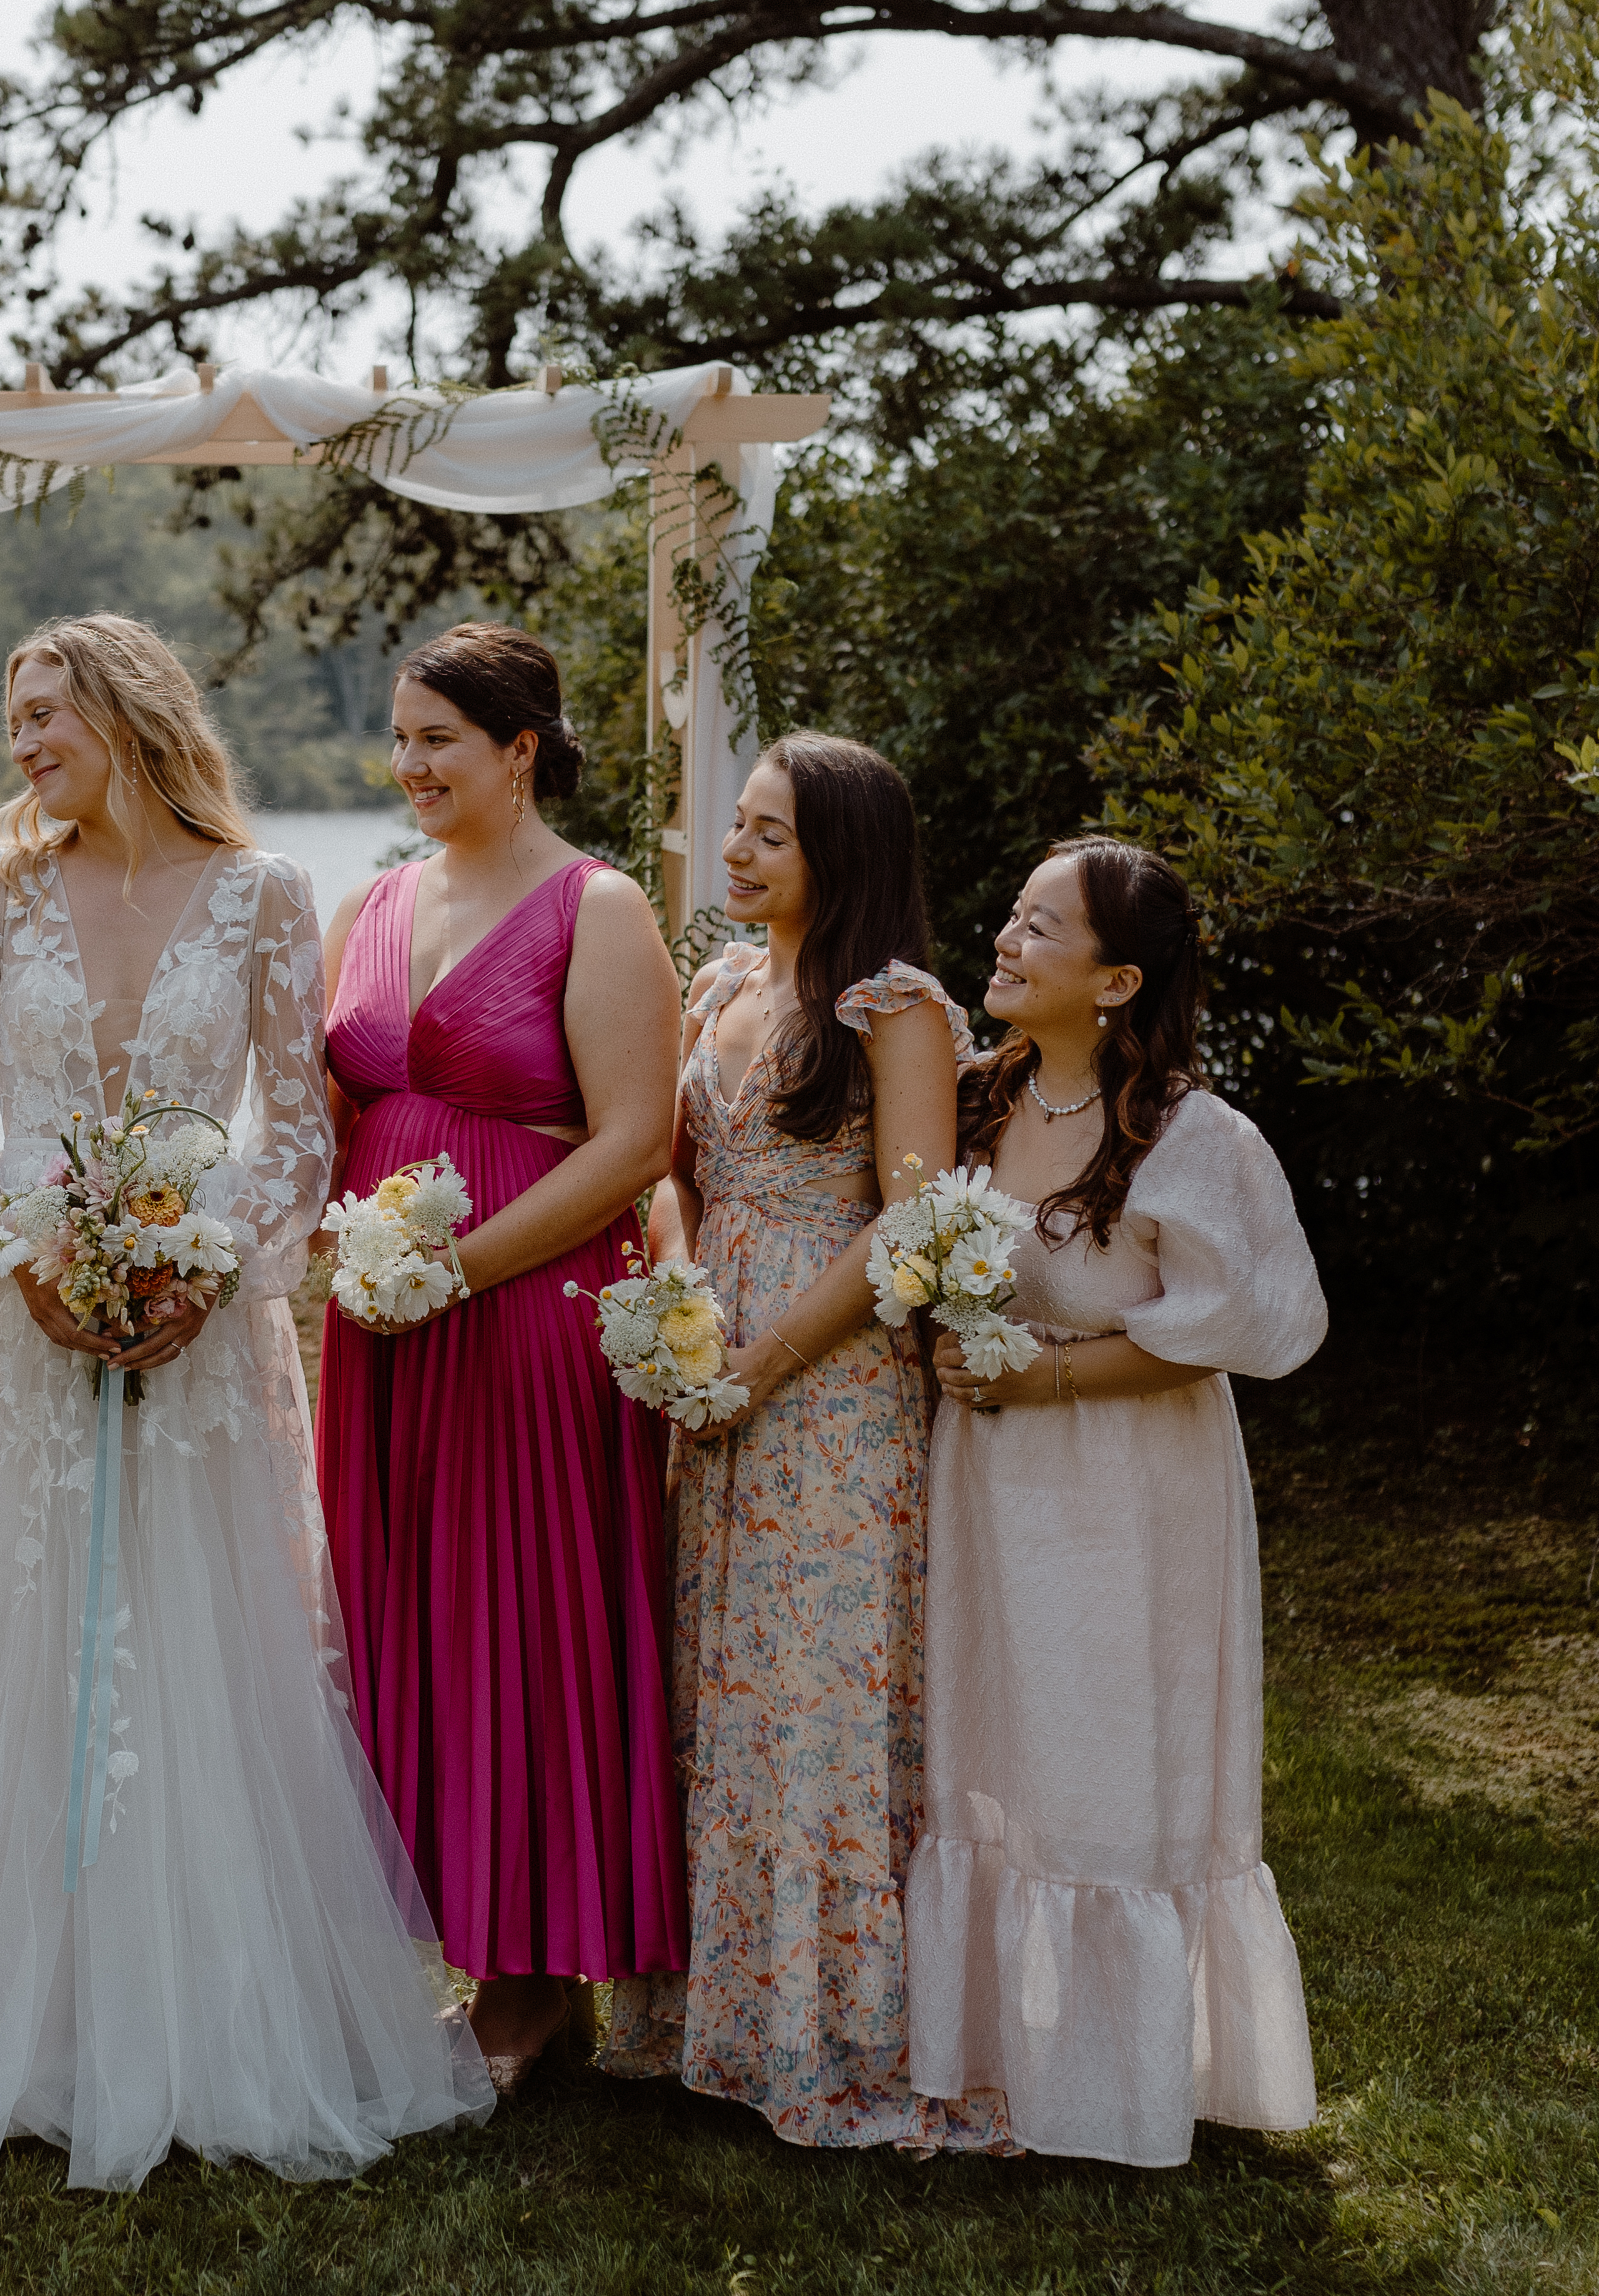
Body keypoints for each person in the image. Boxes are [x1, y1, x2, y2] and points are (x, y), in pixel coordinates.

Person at [0, 613, 492, 2191]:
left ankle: (212, 2028)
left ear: (126, 711)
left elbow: (299, 1130)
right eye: (16, 716)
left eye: (47, 711)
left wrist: (201, 1264)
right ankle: (22, 2025)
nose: (24, 741)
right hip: (21, 1336)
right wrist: (29, 1258)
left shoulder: (262, 893)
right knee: (21, 1645)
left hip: (202, 1342)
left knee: (199, 1648)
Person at [600, 736, 1014, 2152]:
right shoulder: (720, 983)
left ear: (842, 852)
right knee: (714, 1674)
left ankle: (832, 2029)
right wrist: (678, 1311)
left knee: (813, 1690)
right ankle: (707, 2015)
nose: (736, 852)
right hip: (708, 1365)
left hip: (832, 1387)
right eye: (739, 826)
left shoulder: (896, 1009)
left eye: (770, 834)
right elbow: (671, 1174)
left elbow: (912, 1224)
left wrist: (765, 1362)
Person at [906, 835, 1328, 2167]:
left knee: (1104, 1753)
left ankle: (1121, 2084)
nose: (1006, 940)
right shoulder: (968, 1103)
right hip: (985, 1482)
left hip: (1129, 1493)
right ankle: (993, 2055)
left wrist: (1045, 1375)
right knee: (996, 1741)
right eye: (1012, 914)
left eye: (1041, 927)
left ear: (1116, 980)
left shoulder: (1193, 1137)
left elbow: (1248, 1324)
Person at [315, 622, 688, 2092]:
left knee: (519, 1617)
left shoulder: (599, 909)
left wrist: (456, 1271)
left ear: (520, 750)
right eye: (399, 739)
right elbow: (328, 1109)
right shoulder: (373, 902)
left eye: (438, 741)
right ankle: (462, 1942)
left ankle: (536, 1980)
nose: (408, 766)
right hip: (382, 1328)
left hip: (527, 1311)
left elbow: (633, 1141)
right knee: (400, 1614)